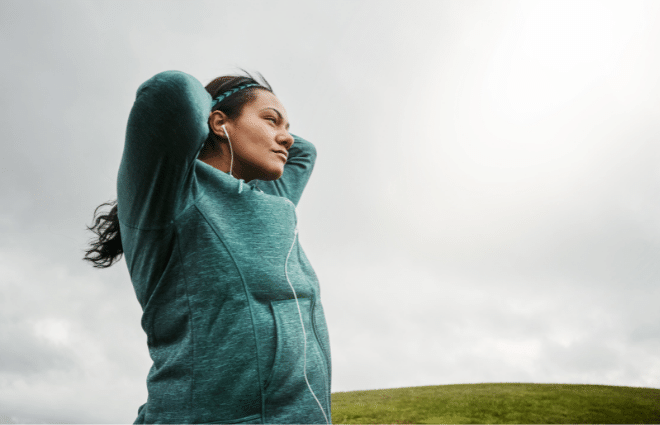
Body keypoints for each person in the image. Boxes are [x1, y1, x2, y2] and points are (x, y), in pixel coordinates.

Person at [83, 70, 332, 424]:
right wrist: (226, 102)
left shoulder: (271, 201)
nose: (287, 138)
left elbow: (305, 152)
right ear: (217, 122)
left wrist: (262, 118)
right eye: (271, 120)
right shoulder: (174, 195)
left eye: (287, 127)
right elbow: (174, 92)